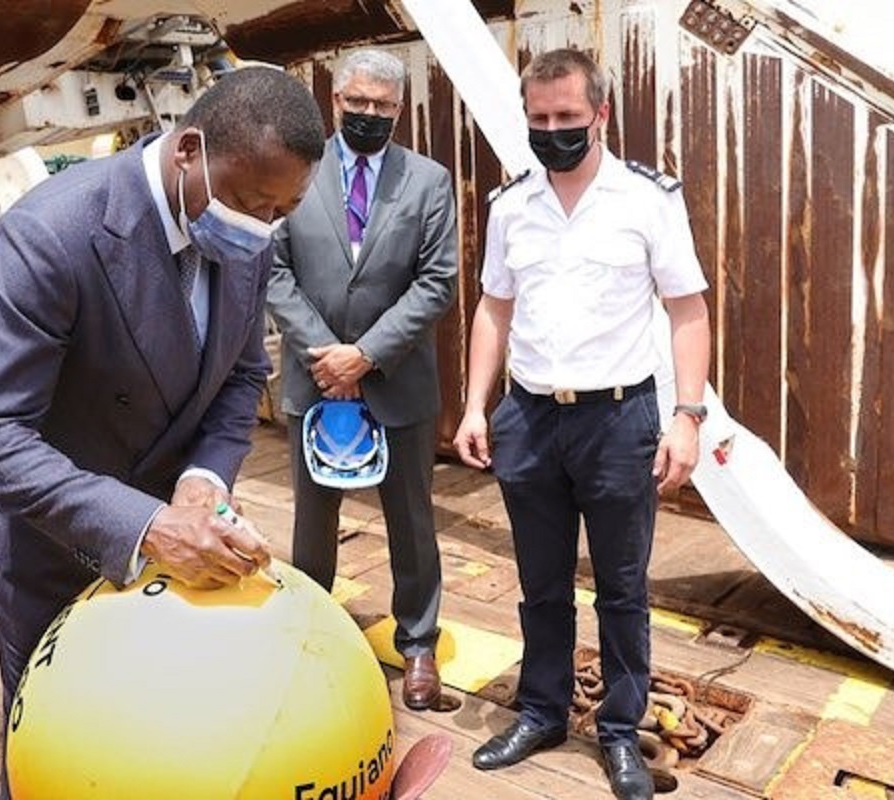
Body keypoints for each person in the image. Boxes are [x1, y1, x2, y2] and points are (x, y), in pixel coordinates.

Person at [0, 66, 325, 797]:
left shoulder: (253, 234)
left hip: (170, 556)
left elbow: (242, 376)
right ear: (187, 150)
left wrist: (201, 482)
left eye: (285, 208)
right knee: (56, 761)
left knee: (155, 754)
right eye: (251, 202)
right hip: (52, 553)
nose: (263, 223)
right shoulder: (52, 234)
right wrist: (148, 524)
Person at [453, 49, 711, 800]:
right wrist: (475, 403)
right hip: (531, 419)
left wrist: (687, 416)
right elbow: (494, 307)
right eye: (539, 119)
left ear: (601, 114)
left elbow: (688, 310)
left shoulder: (647, 202)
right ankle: (542, 711)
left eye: (568, 117)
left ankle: (622, 730)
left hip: (620, 419)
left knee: (623, 589)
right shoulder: (512, 206)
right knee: (541, 583)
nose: (553, 130)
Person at [267, 48, 458, 711]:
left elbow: (438, 283)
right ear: (335, 100)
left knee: (411, 518)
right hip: (314, 377)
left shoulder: (428, 182)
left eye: (383, 106)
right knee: (312, 519)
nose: (370, 115)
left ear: (399, 111)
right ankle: (312, 632)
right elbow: (273, 271)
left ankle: (419, 645)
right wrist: (328, 354)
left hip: (396, 378)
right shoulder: (297, 169)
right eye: (358, 103)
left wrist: (367, 355)